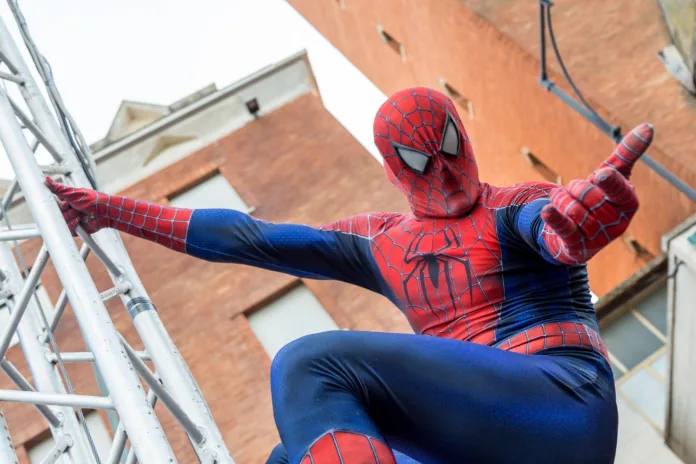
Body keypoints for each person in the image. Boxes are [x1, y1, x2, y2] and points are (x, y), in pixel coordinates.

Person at [47, 87, 653, 464]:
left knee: (310, 364)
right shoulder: (381, 241)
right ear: (394, 172)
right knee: (289, 456)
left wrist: (574, 226)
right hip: (476, 434)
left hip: (559, 400)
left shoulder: (514, 202)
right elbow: (251, 238)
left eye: (448, 147)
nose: (443, 173)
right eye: (420, 160)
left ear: (465, 137)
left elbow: (548, 229)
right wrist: (111, 211)